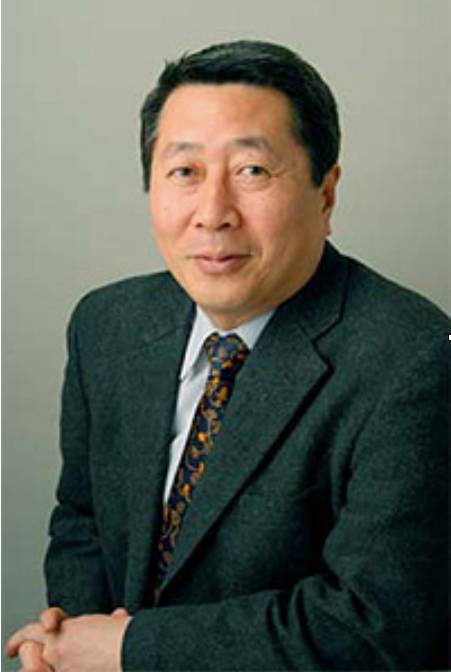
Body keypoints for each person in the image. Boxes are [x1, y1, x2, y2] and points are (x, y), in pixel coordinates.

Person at [7, 39, 449, 672]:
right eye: (184, 172)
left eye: (252, 171)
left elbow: (373, 626)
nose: (213, 214)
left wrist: (127, 650)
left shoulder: (414, 359)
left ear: (326, 194)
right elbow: (83, 523)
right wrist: (69, 642)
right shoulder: (105, 326)